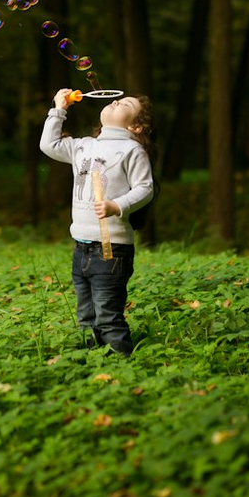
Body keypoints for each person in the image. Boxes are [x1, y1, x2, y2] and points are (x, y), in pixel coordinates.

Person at [39, 88, 157, 356]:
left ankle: (120, 363)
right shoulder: (84, 145)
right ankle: (93, 362)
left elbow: (145, 188)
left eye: (125, 103)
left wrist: (117, 205)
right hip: (81, 248)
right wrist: (59, 109)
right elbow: (48, 145)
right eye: (116, 99)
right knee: (86, 315)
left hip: (111, 249)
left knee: (107, 316)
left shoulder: (132, 150)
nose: (115, 101)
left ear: (136, 126)